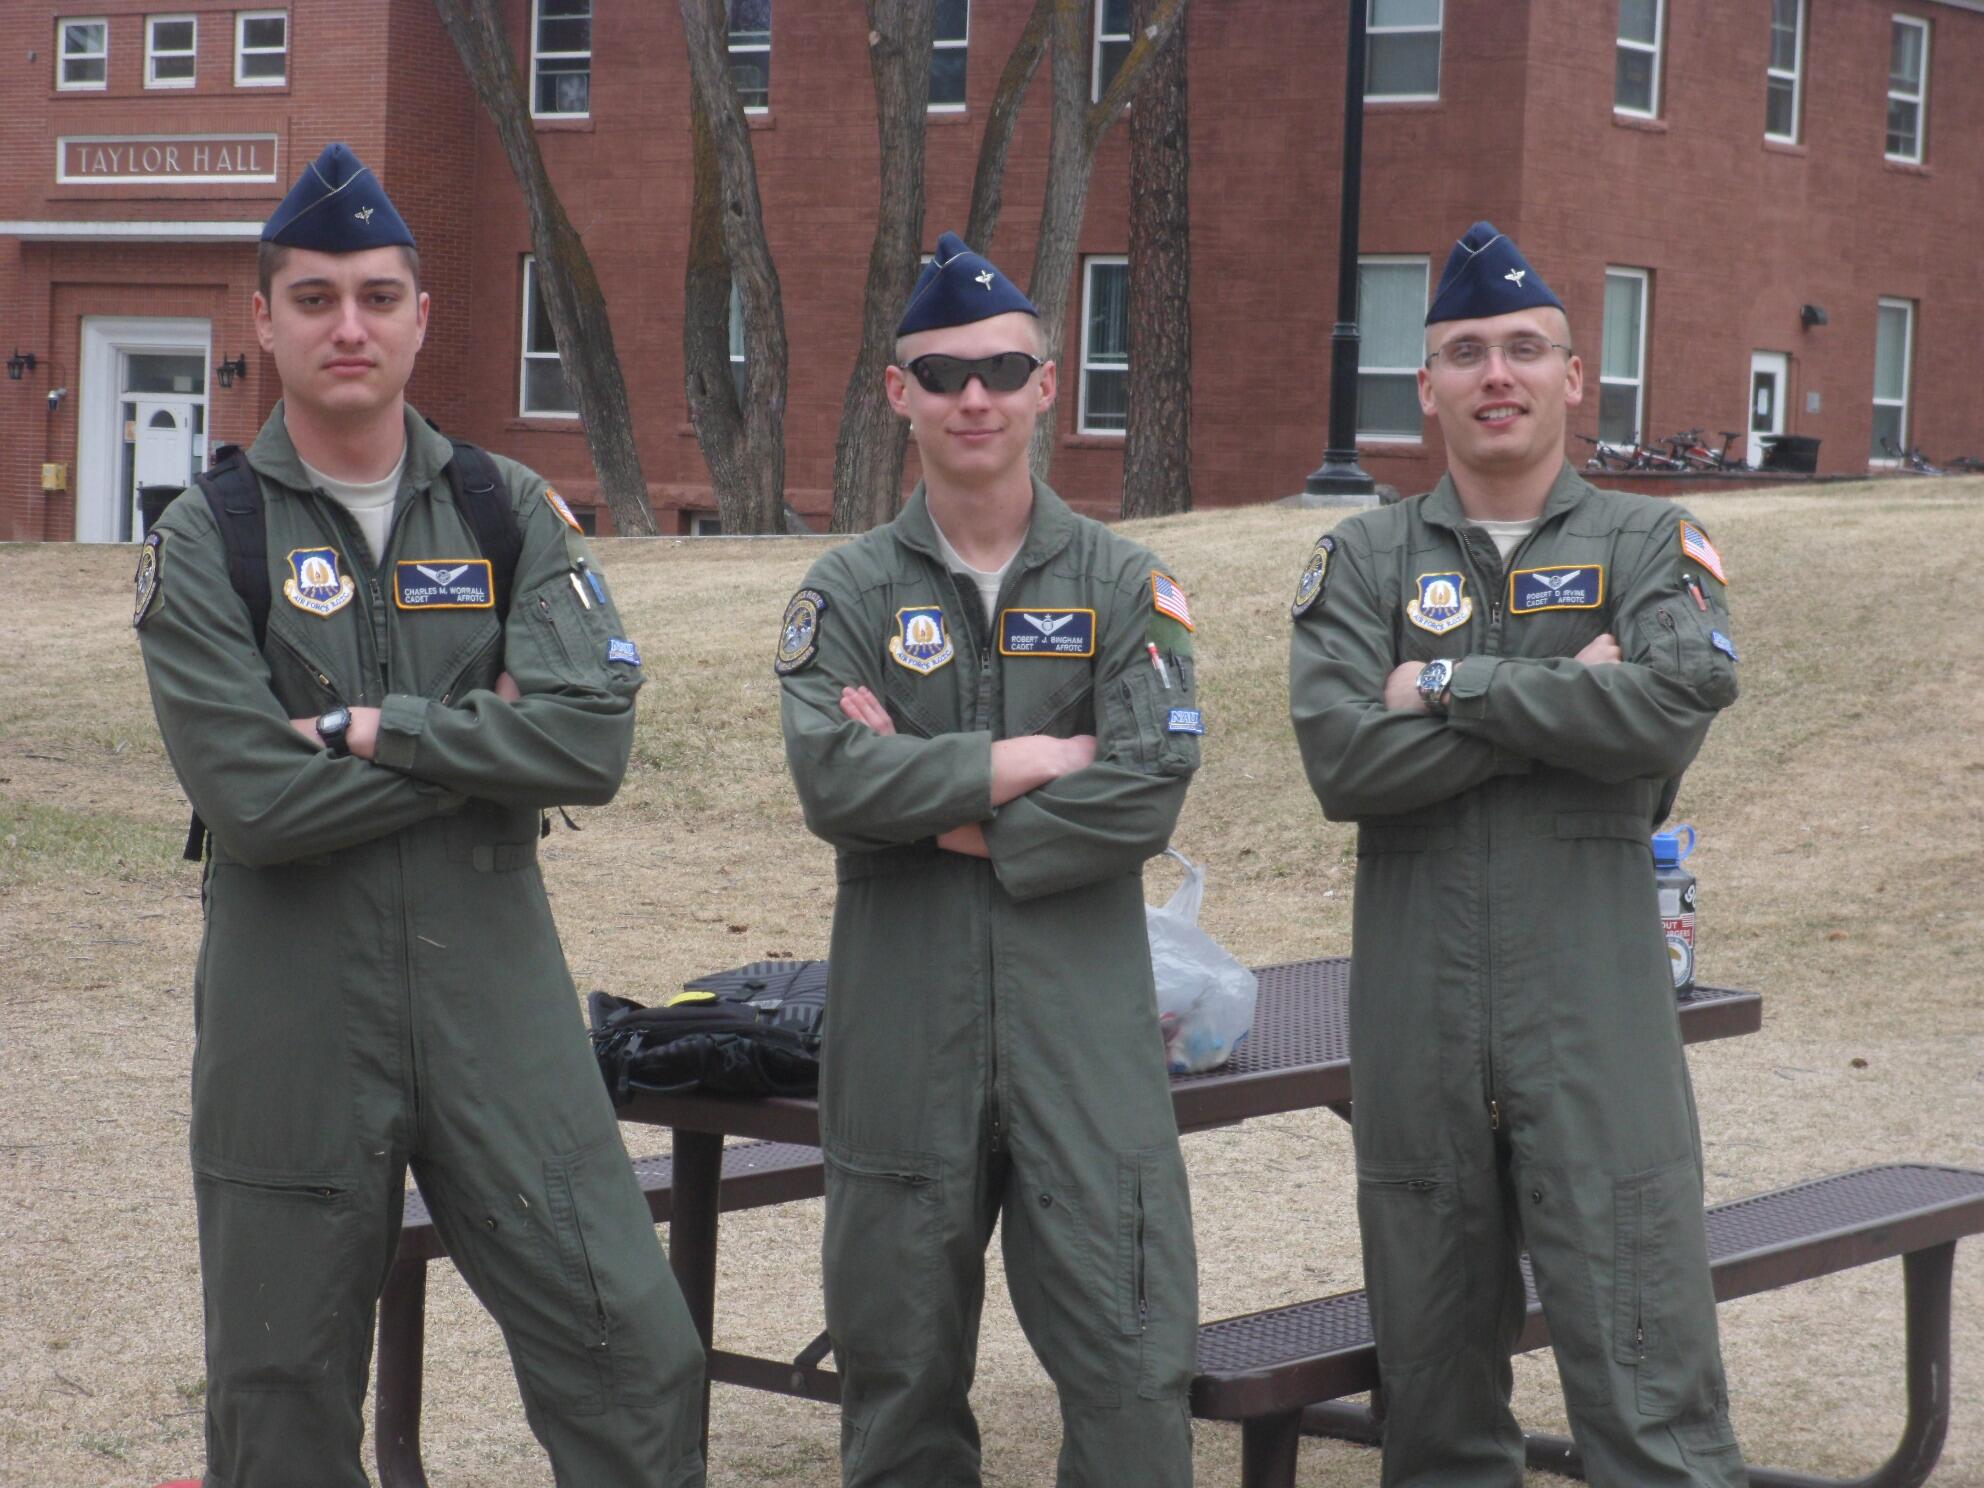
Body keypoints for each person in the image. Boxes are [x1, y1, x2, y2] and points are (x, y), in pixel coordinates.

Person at [133, 142, 705, 1487]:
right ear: (264, 319)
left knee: (634, 1351)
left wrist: (374, 727)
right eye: (316, 297)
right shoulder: (209, 536)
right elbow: (253, 800)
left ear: (421, 317)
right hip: (291, 1013)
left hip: (495, 998)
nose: (350, 325)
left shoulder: (507, 511)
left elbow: (591, 739)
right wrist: (488, 745)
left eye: (378, 296)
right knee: (280, 1398)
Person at [1287, 222, 1746, 1485]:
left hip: (1594, 1008)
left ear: (1572, 376)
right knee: (1433, 1398)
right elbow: (1344, 763)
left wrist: (1445, 685)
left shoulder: (1648, 544)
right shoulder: (1362, 557)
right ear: (1427, 385)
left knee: (1649, 1383)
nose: (1497, 373)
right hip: (1417, 1015)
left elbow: (1671, 703)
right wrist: (1566, 696)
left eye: (1525, 349)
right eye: (1466, 352)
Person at [777, 233, 1204, 1487]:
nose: (975, 396)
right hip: (903, 1025)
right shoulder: (847, 590)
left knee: (1131, 1362)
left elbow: (1147, 787)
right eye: (943, 372)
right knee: (897, 1372)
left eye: (1003, 370)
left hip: (1084, 1026)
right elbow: (831, 780)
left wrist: (932, 798)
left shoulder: (1125, 584)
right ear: (897, 391)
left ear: (1045, 387)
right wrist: (1034, 757)